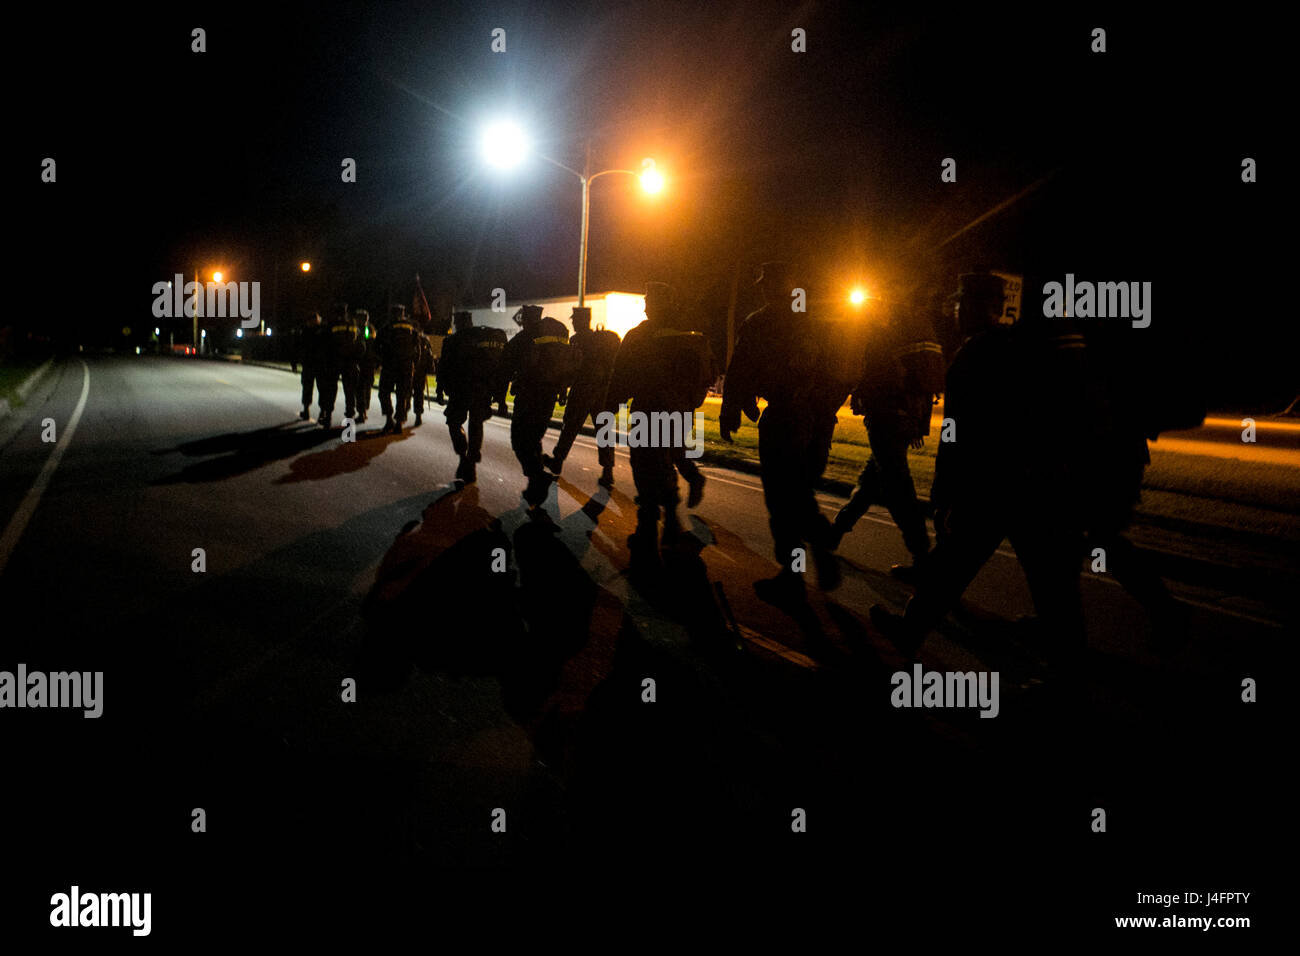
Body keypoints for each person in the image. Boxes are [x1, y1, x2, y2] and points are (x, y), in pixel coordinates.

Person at [870, 272, 1088, 665]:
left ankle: (909, 633)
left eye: (959, 304)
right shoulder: (1019, 348)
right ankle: (1064, 673)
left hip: (990, 487)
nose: (954, 311)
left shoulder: (975, 353)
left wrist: (944, 491)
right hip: (1033, 484)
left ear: (974, 306)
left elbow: (956, 432)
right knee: (1046, 583)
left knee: (954, 567)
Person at [720, 262, 845, 604]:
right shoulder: (816, 319)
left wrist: (731, 409)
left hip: (786, 420)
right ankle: (810, 555)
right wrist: (824, 410)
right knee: (800, 492)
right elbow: (840, 370)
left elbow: (741, 368)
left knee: (783, 498)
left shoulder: (762, 321)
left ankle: (797, 569)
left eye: (767, 282)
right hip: (818, 421)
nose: (763, 289)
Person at [828, 301, 941, 577]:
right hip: (904, 419)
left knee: (897, 488)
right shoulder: (914, 332)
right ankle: (834, 534)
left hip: (886, 418)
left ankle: (921, 557)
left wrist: (859, 391)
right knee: (871, 482)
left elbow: (875, 377)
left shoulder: (885, 336)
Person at [608, 282, 715, 570]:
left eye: (648, 301)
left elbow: (622, 375)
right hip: (680, 411)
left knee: (647, 465)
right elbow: (708, 372)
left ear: (652, 304)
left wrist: (610, 405)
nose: (646, 306)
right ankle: (669, 516)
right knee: (668, 458)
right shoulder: (690, 334)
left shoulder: (639, 336)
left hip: (649, 410)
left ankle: (652, 525)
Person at [501, 305, 574, 505]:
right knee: (534, 437)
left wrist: (499, 398)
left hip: (528, 397)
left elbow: (504, 367)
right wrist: (561, 390)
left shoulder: (523, 339)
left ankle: (538, 477)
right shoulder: (557, 335)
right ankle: (536, 489)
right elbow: (564, 365)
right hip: (549, 397)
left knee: (519, 440)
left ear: (525, 320)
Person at [543, 306, 622, 488]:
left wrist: (563, 389)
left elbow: (570, 368)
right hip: (601, 391)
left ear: (581, 321)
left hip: (583, 390)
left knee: (570, 427)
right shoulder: (600, 340)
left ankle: (557, 461)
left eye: (574, 320)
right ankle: (607, 472)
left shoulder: (577, 340)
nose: (572, 323)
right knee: (603, 430)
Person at [438, 310, 507, 484]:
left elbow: (443, 367)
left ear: (458, 323)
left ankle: (463, 455)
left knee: (454, 423)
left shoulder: (452, 341)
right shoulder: (483, 337)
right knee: (476, 424)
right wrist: (499, 397)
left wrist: (440, 390)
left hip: (460, 391)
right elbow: (498, 367)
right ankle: (472, 460)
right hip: (482, 390)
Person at [377, 304, 421, 435]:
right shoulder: (412, 327)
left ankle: (389, 419)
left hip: (390, 366)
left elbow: (376, 345)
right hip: (406, 367)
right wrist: (414, 363)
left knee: (384, 393)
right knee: (402, 395)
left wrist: (382, 360)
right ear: (403, 313)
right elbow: (417, 347)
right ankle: (399, 423)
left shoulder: (387, 327)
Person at [317, 302, 360, 430]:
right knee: (350, 391)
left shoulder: (331, 324)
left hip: (334, 362)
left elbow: (324, 344)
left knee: (330, 390)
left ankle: (328, 417)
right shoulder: (353, 325)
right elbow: (360, 344)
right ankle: (350, 419)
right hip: (350, 363)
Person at [297, 312, 325, 422]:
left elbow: (298, 347)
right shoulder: (322, 331)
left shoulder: (305, 331)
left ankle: (308, 410)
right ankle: (321, 411)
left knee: (309, 388)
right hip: (318, 365)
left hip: (311, 364)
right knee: (320, 389)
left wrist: (295, 362)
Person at [353, 310, 376, 423]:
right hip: (369, 363)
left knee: (361, 388)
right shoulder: (370, 328)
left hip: (363, 363)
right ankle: (364, 410)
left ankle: (362, 412)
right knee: (366, 388)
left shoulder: (365, 329)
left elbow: (366, 344)